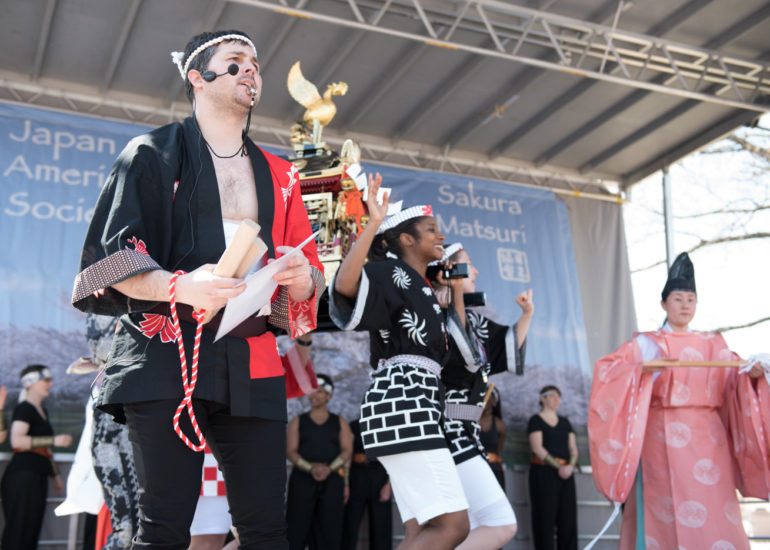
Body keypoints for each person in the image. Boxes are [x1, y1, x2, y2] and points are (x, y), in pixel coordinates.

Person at [71, 29, 324, 549]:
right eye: (235, 61)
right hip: (165, 351)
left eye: (255, 63)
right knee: (163, 528)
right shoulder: (150, 153)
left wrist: (305, 280)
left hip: (251, 357)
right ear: (197, 76)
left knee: (266, 531)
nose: (251, 69)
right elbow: (107, 264)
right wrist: (183, 286)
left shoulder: (282, 176)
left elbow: (308, 277)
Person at [588, 252, 770, 550]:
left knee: (714, 504)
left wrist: (753, 375)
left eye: (690, 299)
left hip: (709, 439)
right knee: (663, 507)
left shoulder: (714, 343)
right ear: (663, 304)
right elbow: (609, 371)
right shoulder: (646, 343)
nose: (685, 305)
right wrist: (641, 369)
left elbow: (734, 377)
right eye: (678, 299)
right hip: (660, 438)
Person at [330, 187, 471, 550]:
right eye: (431, 230)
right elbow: (346, 285)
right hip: (403, 404)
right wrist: (373, 223)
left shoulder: (423, 286)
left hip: (410, 407)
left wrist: (451, 290)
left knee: (421, 528)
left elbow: (464, 352)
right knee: (454, 527)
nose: (442, 236)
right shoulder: (389, 271)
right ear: (406, 238)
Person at [432, 243, 532, 549]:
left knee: (471, 527)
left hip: (468, 432)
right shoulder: (430, 315)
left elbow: (507, 346)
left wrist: (527, 313)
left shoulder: (474, 320)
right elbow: (465, 357)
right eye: (468, 264)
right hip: (447, 432)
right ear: (447, 272)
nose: (474, 270)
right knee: (500, 525)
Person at [1, 365, 74, 550]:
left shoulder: (42, 411)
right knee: (19, 532)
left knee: (30, 531)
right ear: (31, 383)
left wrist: (55, 475)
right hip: (23, 476)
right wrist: (55, 440)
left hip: (36, 476)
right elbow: (17, 441)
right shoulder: (24, 408)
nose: (51, 383)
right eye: (46, 380)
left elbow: (44, 449)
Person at [286, 372, 353, 550]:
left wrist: (329, 470)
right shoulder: (297, 422)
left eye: (320, 391)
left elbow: (347, 451)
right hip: (302, 480)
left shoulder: (340, 422)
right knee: (296, 528)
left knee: (329, 529)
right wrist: (311, 469)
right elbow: (291, 452)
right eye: (312, 391)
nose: (314, 395)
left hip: (332, 480)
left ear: (329, 395)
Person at [527, 386, 578, 550]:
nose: (556, 400)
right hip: (543, 473)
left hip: (566, 474)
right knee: (544, 517)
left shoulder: (565, 422)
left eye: (559, 396)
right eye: (552, 396)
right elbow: (537, 448)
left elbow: (573, 448)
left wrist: (570, 466)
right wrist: (559, 468)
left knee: (568, 518)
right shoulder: (536, 420)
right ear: (543, 399)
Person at [341, 417, 393, 550]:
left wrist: (389, 485)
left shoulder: (387, 424)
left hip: (380, 476)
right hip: (356, 476)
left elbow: (394, 458)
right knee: (350, 524)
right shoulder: (354, 425)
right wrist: (345, 483)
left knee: (381, 525)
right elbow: (347, 454)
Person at [478, 387, 505, 489]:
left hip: (493, 469)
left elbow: (498, 451)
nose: (482, 399)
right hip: (475, 468)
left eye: (486, 396)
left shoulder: (500, 425)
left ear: (494, 401)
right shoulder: (471, 421)